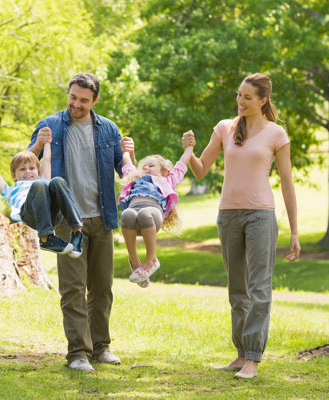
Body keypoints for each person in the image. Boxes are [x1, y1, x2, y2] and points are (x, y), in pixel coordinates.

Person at [182, 73, 300, 379]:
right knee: (237, 290)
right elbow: (200, 170)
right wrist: (189, 151)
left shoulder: (277, 134)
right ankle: (239, 354)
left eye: (248, 97)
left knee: (259, 287)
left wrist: (295, 232)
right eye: (239, 95)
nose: (241, 101)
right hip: (228, 216)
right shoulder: (224, 128)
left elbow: (287, 184)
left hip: (261, 215)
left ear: (263, 100)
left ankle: (252, 359)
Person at [27, 73, 133, 372]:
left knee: (102, 287)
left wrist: (130, 153)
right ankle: (78, 353)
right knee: (73, 288)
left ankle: (101, 348)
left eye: (84, 100)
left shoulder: (108, 129)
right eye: (73, 97)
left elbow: (125, 173)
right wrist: (38, 145)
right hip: (66, 220)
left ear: (94, 100)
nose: (76, 104)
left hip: (101, 217)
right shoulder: (51, 125)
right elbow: (25, 165)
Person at [0, 141, 83, 257]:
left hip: (52, 215)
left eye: (32, 168)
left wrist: (47, 143)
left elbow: (47, 159)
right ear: (14, 175)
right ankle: (45, 239)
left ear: (38, 172)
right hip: (31, 216)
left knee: (57, 181)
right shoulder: (11, 190)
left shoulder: (43, 180)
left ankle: (77, 232)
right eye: (22, 169)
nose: (28, 171)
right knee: (39, 185)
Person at [118, 138, 193, 288]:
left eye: (151, 166)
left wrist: (189, 147)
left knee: (145, 213)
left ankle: (151, 259)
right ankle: (134, 260)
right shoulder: (135, 178)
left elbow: (182, 164)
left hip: (153, 214)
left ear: (164, 172)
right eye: (144, 166)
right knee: (126, 215)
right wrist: (126, 150)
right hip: (134, 213)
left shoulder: (169, 179)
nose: (145, 168)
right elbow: (127, 163)